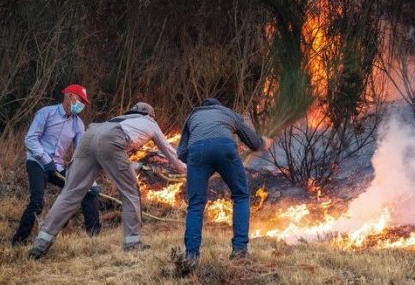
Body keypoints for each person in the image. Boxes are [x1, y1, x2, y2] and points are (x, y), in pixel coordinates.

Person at [27, 102, 186, 259]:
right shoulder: (150, 122)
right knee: (130, 192)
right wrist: (189, 172)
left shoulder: (119, 119)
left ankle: (40, 243)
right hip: (112, 139)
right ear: (151, 115)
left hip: (90, 135)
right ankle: (133, 243)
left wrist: (136, 166)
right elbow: (172, 155)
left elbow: (112, 157)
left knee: (70, 192)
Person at [177, 98, 271, 260]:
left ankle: (191, 257)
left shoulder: (193, 116)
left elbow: (181, 152)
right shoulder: (228, 112)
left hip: (197, 153)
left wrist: (200, 164)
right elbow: (253, 141)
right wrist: (264, 142)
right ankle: (239, 250)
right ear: (218, 106)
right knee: (241, 196)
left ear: (202, 107)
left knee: (195, 205)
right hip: (225, 148)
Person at [12, 84, 101, 246]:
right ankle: (18, 241)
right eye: (80, 101)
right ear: (70, 96)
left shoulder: (78, 124)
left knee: (89, 192)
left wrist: (90, 180)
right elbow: (30, 139)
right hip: (37, 162)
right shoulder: (46, 113)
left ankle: (95, 238)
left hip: (57, 167)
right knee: (37, 201)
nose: (81, 105)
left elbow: (81, 153)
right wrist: (46, 160)